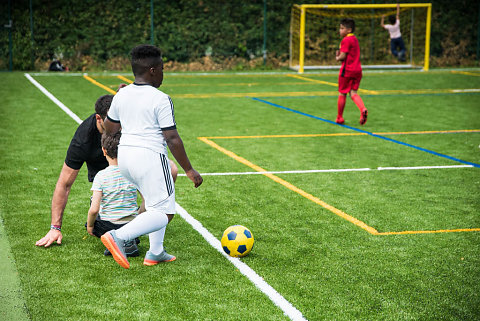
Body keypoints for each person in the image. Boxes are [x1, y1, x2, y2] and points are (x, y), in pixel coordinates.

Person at [102, 44, 203, 269]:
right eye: (163, 69)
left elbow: (110, 129)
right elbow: (172, 138)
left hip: (126, 159)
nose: (164, 73)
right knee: (165, 212)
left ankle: (155, 251)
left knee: (155, 202)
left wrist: (118, 101)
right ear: (153, 70)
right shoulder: (161, 98)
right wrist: (189, 170)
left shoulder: (122, 94)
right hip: (150, 159)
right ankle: (119, 236)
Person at [35, 94, 179, 248]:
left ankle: (142, 223)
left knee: (171, 170)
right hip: (103, 179)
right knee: (102, 216)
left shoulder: (129, 125)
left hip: (130, 169)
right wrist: (55, 228)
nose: (120, 126)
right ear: (99, 119)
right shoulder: (83, 140)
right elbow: (64, 184)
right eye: (113, 121)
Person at [86, 132, 140, 257]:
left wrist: (90, 226)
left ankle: (113, 242)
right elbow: (146, 201)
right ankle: (128, 240)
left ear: (104, 151)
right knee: (131, 224)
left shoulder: (101, 176)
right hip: (132, 224)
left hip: (108, 225)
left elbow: (94, 209)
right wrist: (138, 217)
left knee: (93, 200)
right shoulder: (132, 173)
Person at [335, 18, 368, 125]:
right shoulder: (354, 39)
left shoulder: (346, 40)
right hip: (357, 70)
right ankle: (362, 109)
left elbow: (343, 56)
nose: (340, 30)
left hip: (347, 71)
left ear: (349, 30)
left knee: (342, 93)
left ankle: (339, 117)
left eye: (342, 28)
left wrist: (337, 57)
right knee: (353, 93)